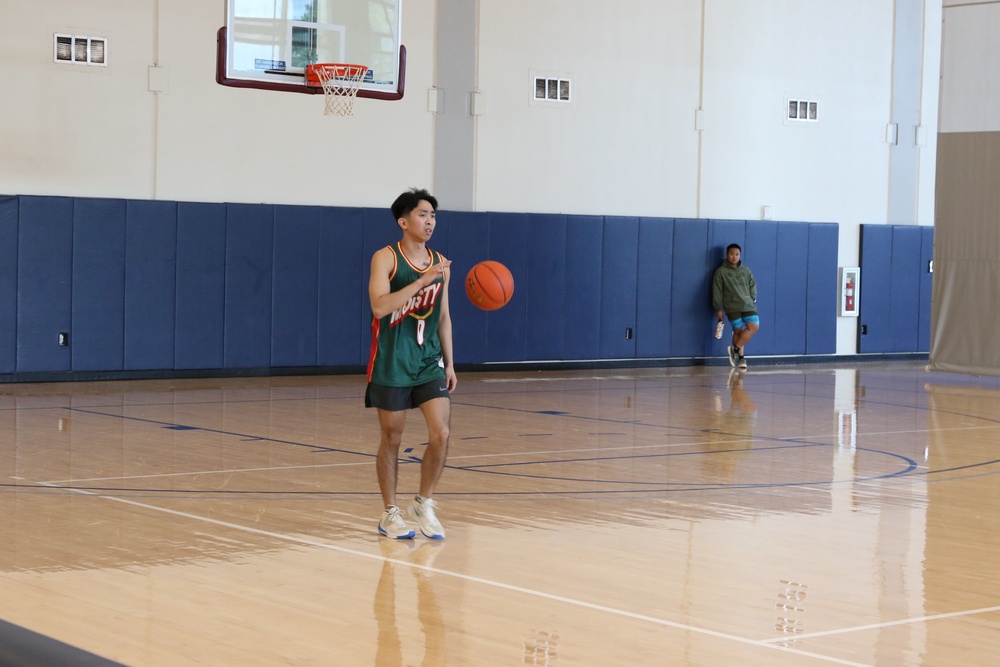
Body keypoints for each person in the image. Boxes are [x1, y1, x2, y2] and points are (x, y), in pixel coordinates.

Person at [366, 187, 456, 539]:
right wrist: (420, 281)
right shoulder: (385, 258)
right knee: (392, 437)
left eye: (433, 215)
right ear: (404, 221)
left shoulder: (441, 264)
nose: (430, 220)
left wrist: (450, 363)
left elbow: (445, 317)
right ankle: (390, 512)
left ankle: (424, 501)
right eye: (422, 214)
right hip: (391, 360)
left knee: (442, 432)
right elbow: (379, 307)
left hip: (428, 360)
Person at [712, 243, 759, 369]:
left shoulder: (746, 271)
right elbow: (717, 291)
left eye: (737, 254)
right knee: (737, 331)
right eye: (732, 254)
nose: (734, 257)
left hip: (747, 305)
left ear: (740, 255)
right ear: (727, 255)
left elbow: (752, 286)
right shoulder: (720, 272)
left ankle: (735, 349)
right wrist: (718, 308)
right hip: (732, 306)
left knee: (753, 326)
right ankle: (741, 359)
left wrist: (752, 298)